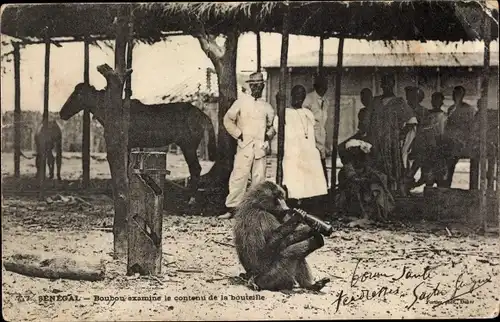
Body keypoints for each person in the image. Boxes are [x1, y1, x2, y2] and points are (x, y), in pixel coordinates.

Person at [219, 72, 276, 219]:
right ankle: (232, 208)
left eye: (260, 85)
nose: (257, 88)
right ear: (250, 86)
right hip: (245, 145)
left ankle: (256, 209)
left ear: (263, 86)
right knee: (239, 176)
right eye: (254, 85)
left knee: (259, 178)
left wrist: (267, 135)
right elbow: (227, 120)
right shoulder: (241, 102)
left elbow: (273, 126)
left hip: (260, 147)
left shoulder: (267, 107)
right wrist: (238, 134)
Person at [273, 85, 328, 205]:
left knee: (312, 180)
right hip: (294, 152)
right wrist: (279, 106)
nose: (299, 98)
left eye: (302, 96)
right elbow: (278, 128)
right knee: (295, 180)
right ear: (292, 96)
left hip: (308, 151)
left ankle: (310, 204)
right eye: (297, 95)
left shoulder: (308, 113)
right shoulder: (285, 112)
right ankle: (295, 203)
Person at [366, 73, 417, 196]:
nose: (386, 86)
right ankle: (378, 194)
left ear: (393, 84)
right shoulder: (375, 101)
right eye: (384, 83)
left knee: (393, 167)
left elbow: (412, 121)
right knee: (376, 167)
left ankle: (392, 193)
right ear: (381, 85)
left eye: (389, 83)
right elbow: (367, 121)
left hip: (391, 142)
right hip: (376, 141)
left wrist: (401, 134)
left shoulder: (399, 102)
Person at [407, 92, 448, 188]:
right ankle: (420, 181)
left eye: (438, 100)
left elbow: (444, 131)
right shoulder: (426, 113)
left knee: (438, 168)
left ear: (442, 102)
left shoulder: (445, 115)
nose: (436, 102)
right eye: (434, 100)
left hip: (439, 144)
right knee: (424, 164)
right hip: (426, 143)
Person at [442, 86, 477, 188]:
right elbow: (447, 127)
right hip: (451, 139)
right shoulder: (451, 109)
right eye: (454, 94)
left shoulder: (468, 109)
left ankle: (447, 183)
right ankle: (444, 183)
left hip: (463, 140)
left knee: (451, 156)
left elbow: (470, 127)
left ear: (462, 95)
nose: (455, 96)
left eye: (458, 94)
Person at [303, 73, 330, 185]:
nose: (323, 88)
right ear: (315, 86)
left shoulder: (326, 101)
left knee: (321, 167)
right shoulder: (308, 99)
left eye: (325, 85)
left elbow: (324, 123)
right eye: (321, 85)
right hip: (311, 138)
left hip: (321, 138)